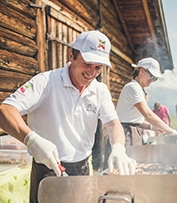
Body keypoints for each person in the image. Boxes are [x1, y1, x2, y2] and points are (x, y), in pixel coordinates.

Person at [0, 30, 136, 203]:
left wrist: (118, 147)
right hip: (48, 169)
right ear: (71, 55)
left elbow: (113, 123)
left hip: (83, 168)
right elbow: (5, 110)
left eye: (98, 68)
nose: (92, 73)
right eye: (87, 64)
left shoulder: (99, 90)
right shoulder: (46, 81)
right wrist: (31, 140)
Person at [115, 57, 177, 146]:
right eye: (152, 76)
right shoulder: (133, 88)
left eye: (155, 78)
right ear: (142, 71)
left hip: (131, 132)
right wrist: (171, 131)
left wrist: (151, 127)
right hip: (126, 134)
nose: (152, 80)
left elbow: (134, 120)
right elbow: (148, 114)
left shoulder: (138, 89)